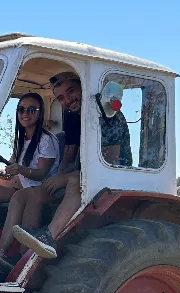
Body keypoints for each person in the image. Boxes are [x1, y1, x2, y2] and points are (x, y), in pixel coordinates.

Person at [11, 72, 131, 259]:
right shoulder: (75, 117)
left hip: (112, 179)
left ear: (84, 88)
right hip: (85, 176)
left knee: (75, 180)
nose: (67, 100)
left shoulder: (109, 118)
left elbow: (110, 161)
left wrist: (65, 178)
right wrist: (55, 178)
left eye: (71, 91)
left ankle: (48, 235)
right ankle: (21, 260)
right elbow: (68, 156)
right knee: (35, 193)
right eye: (61, 98)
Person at [0, 92, 59, 273]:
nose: (25, 114)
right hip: (25, 186)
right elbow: (12, 167)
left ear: (40, 113)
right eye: (21, 109)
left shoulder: (47, 140)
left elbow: (41, 174)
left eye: (31, 110)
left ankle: (1, 252)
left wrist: (20, 170)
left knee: (18, 196)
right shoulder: (21, 139)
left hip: (42, 189)